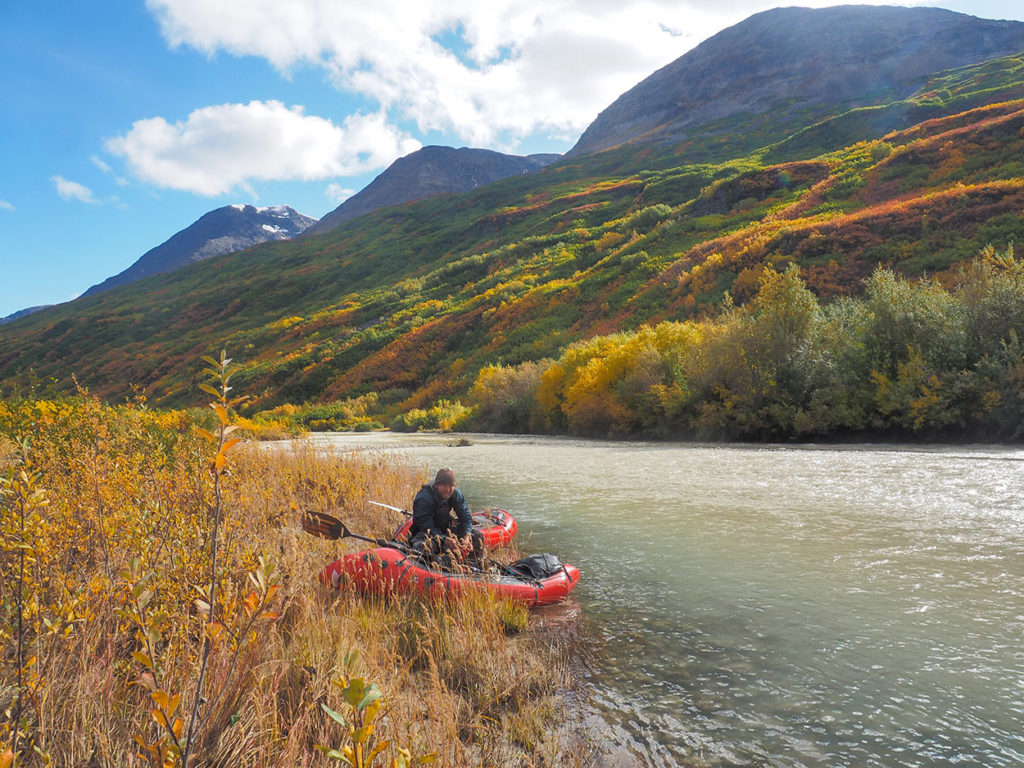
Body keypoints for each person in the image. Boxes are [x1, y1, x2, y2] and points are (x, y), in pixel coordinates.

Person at [408, 468, 484, 568]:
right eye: (444, 485)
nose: (448, 489)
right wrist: (445, 540)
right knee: (426, 547)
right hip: (424, 535)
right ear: (436, 485)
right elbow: (426, 527)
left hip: (446, 531)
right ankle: (438, 570)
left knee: (477, 535)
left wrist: (467, 535)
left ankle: (472, 567)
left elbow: (466, 518)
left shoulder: (455, 494)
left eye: (451, 486)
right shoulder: (424, 498)